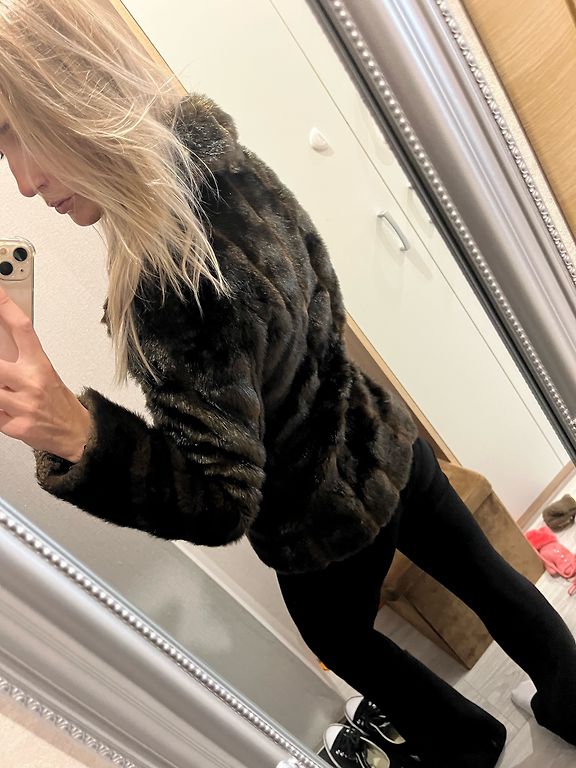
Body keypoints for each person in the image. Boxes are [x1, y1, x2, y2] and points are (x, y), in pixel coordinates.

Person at [0, 1, 574, 766]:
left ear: (71, 97)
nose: (23, 182)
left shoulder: (167, 280)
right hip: (383, 435)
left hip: (318, 522)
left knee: (340, 638)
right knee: (489, 577)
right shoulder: (217, 158)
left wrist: (81, 437)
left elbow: (219, 503)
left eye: (16, 131)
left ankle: (467, 743)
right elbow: (319, 291)